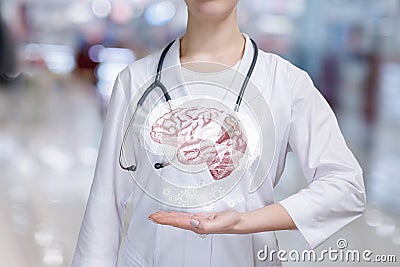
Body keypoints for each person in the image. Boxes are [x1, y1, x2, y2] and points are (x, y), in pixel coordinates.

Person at [72, 1, 366, 266]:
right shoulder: (135, 81)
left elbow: (345, 187)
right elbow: (104, 205)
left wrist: (244, 222)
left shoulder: (286, 83)